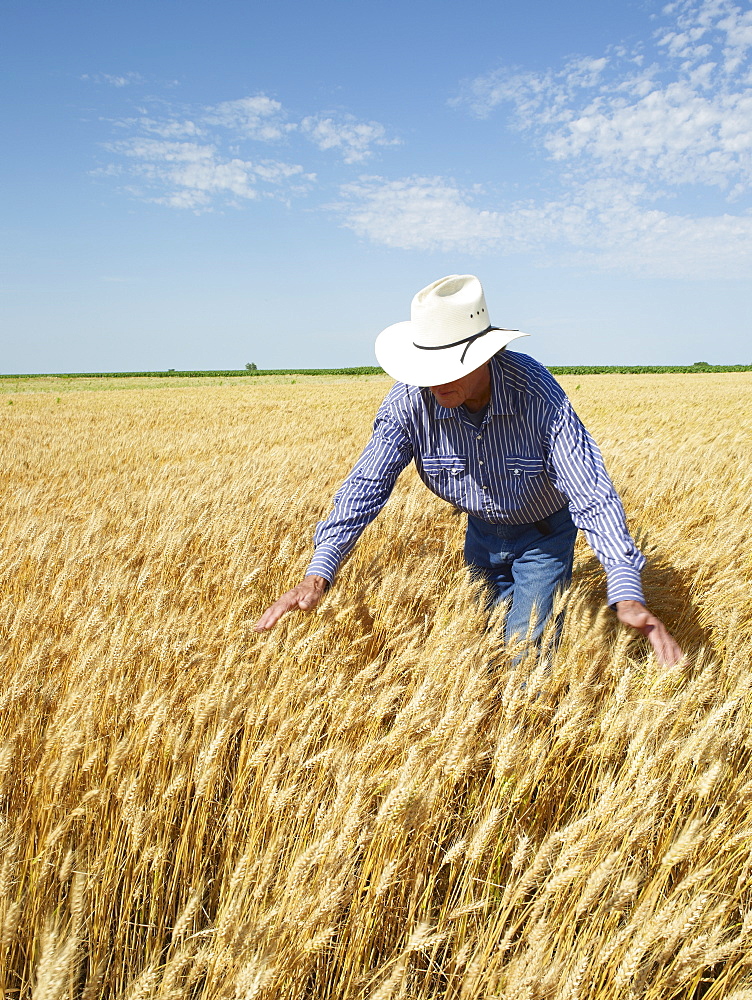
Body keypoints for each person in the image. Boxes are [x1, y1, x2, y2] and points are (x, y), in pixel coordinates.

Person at [254, 274, 683, 667]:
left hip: (543, 534)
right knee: (485, 642)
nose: (435, 381)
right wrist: (318, 573)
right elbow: (365, 487)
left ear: (486, 356)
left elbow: (590, 490)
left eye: (449, 367)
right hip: (481, 532)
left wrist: (625, 590)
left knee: (525, 652)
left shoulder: (535, 394)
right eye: (426, 368)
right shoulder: (408, 403)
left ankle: (526, 731)